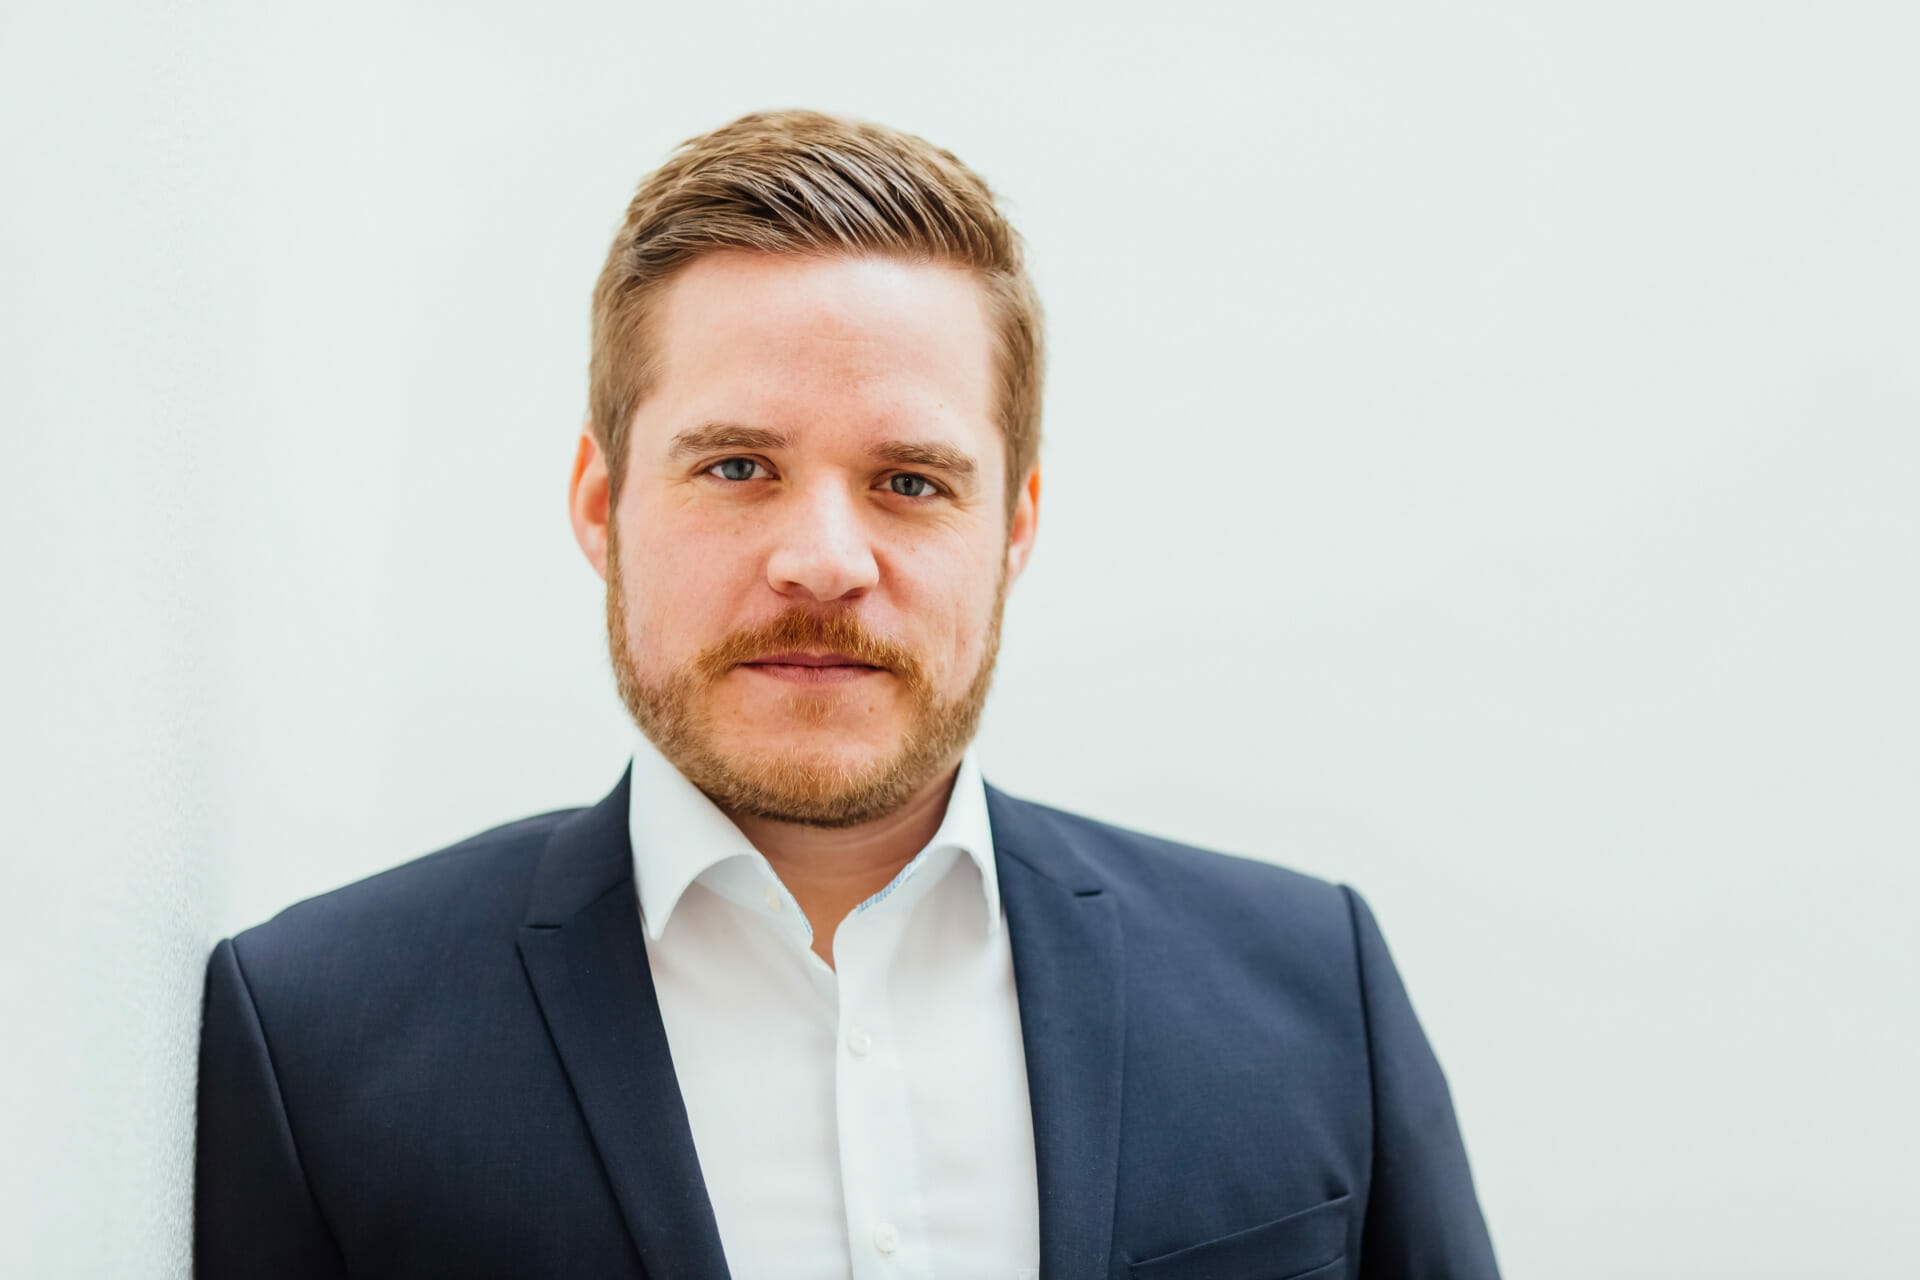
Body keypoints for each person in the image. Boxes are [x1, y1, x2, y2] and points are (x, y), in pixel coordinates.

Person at [194, 108, 1500, 1279]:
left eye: (912, 482)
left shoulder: (1312, 988)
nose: (824, 559)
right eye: (739, 468)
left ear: (1016, 525)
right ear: (602, 505)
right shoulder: (312, 1035)